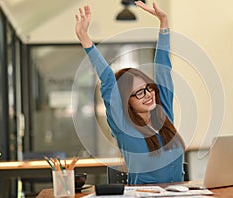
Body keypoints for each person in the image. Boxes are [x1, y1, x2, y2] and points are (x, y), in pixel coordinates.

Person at [75, 1, 185, 184]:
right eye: (139, 93)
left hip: (180, 194)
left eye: (148, 88)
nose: (148, 94)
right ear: (126, 101)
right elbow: (108, 79)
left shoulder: (163, 114)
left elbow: (163, 69)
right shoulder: (122, 125)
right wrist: (85, 40)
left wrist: (164, 22)